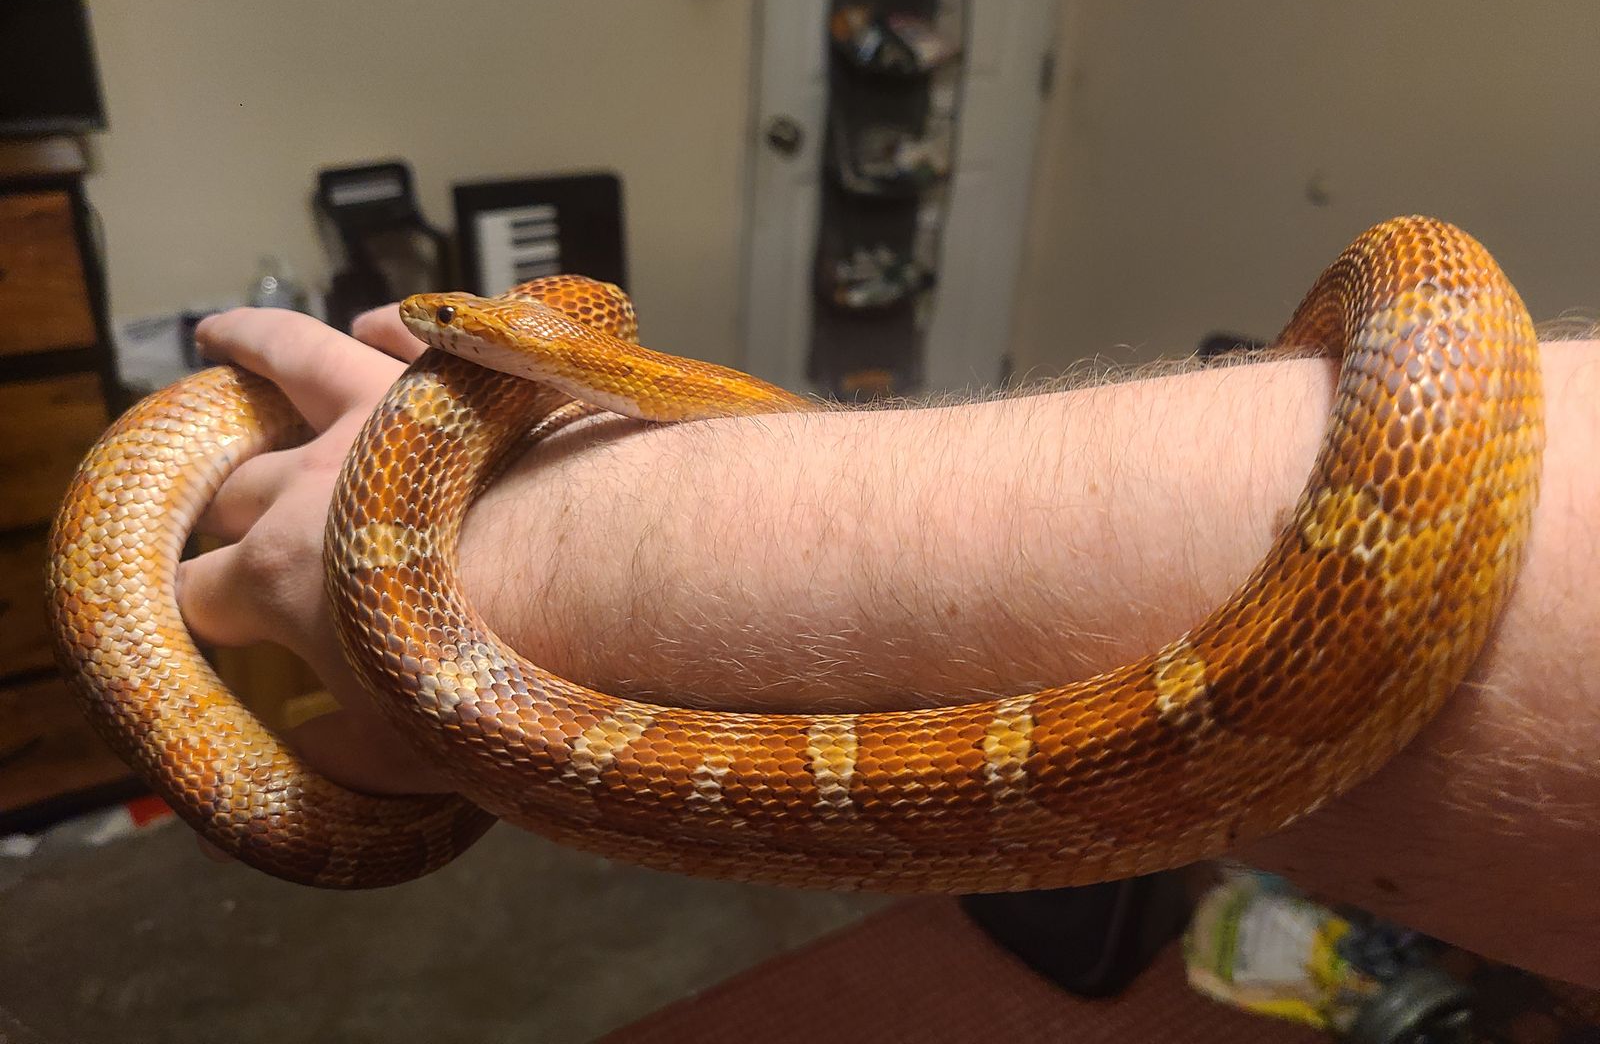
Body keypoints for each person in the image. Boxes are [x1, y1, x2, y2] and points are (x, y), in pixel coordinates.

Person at [177, 302, 1600, 988]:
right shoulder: (571, 356)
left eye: (451, 333)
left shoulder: (586, 366)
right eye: (439, 335)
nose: (432, 339)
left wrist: (482, 568)